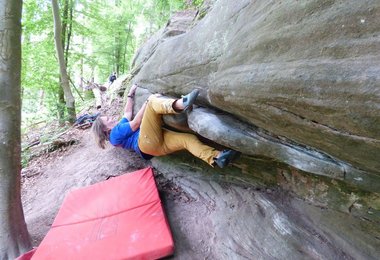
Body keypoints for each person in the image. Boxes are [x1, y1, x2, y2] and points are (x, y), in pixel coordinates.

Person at [91, 84, 238, 168]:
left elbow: (127, 112)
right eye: (108, 119)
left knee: (188, 139)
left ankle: (217, 157)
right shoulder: (115, 134)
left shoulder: (119, 128)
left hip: (153, 147)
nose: (111, 117)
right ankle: (180, 104)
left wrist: (130, 94)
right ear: (105, 129)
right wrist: (147, 102)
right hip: (145, 142)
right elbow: (135, 123)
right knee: (153, 102)